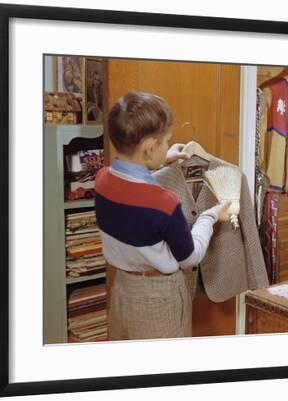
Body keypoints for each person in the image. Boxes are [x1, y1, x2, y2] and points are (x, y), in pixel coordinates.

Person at [95, 91, 231, 340]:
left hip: (122, 288)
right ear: (149, 147)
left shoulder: (102, 180)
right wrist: (210, 216)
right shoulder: (163, 203)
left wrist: (159, 160)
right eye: (166, 142)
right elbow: (190, 256)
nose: (168, 146)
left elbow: (129, 184)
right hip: (159, 297)